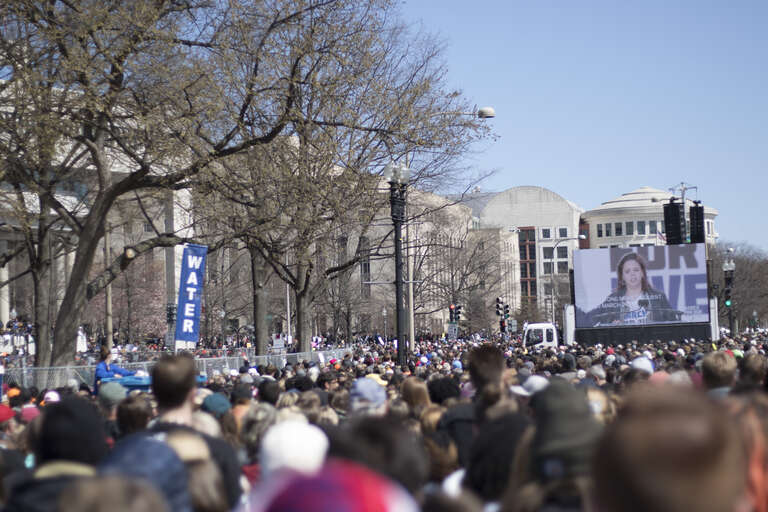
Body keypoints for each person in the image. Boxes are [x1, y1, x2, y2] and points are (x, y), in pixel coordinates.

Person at [588, 252, 679, 326]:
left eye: (636, 270)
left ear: (643, 272)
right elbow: (598, 322)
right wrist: (612, 327)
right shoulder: (612, 299)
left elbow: (673, 323)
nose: (632, 274)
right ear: (622, 276)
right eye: (627, 271)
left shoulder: (658, 296)